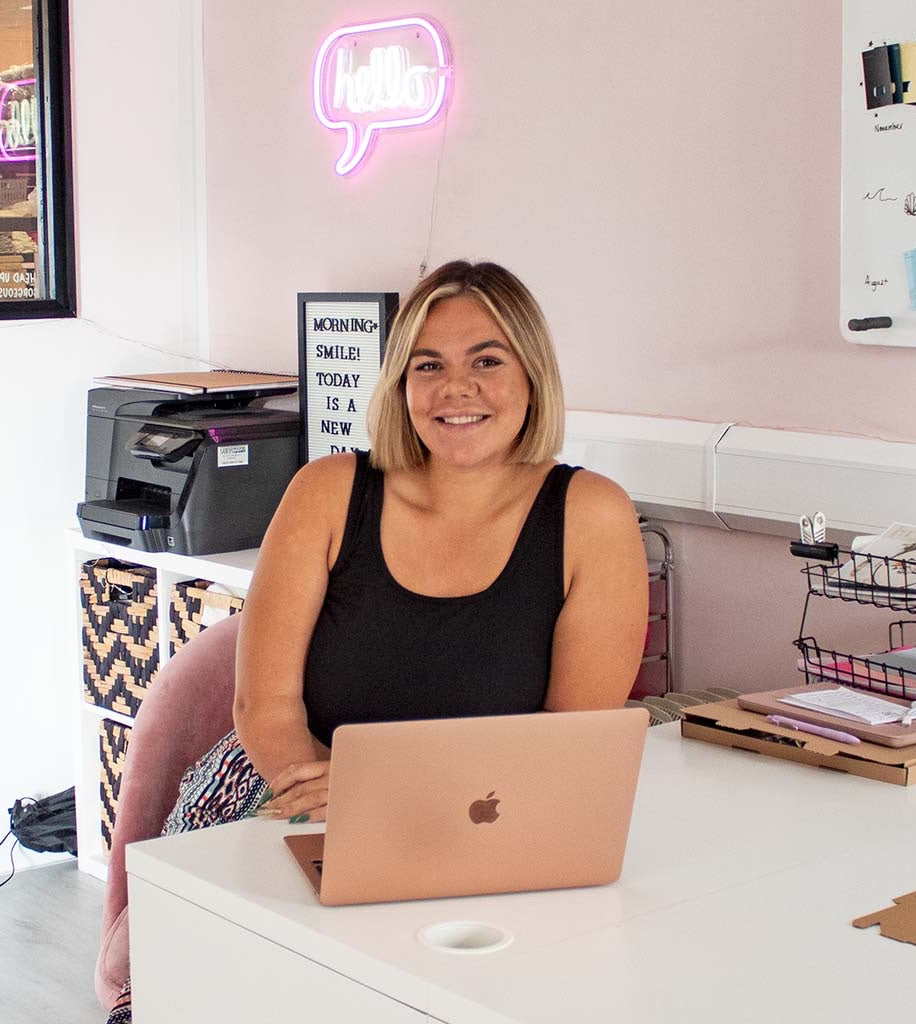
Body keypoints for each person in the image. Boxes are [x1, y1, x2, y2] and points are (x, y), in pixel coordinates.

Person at [105, 260, 647, 1023]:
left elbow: (567, 747)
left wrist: (394, 806)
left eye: (487, 361)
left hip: (483, 825)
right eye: (429, 366)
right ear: (399, 384)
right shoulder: (327, 491)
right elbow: (265, 706)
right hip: (289, 791)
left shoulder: (592, 516)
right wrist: (354, 812)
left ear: (533, 376)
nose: (456, 389)